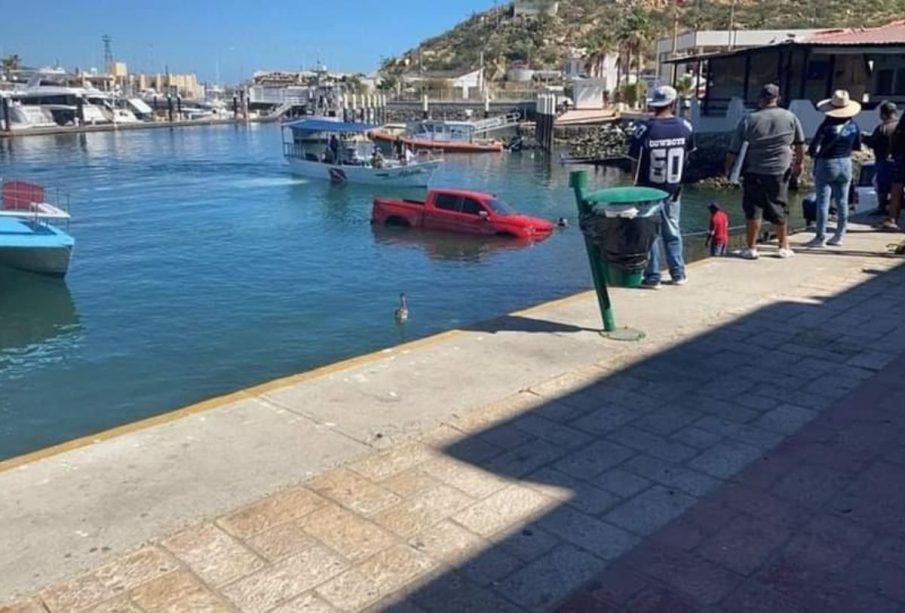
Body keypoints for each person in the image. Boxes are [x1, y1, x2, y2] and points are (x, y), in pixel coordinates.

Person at [725, 84, 805, 260]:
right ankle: (783, 246)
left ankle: (751, 247)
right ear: (778, 98)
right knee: (779, 205)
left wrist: (728, 169)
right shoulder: (790, 117)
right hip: (780, 169)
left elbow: (734, 149)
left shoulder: (749, 119)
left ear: (761, 98)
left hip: (754, 169)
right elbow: (800, 145)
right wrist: (799, 164)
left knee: (753, 208)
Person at [628, 85, 695, 288]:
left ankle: (653, 276)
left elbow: (634, 161)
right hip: (674, 190)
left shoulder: (644, 129)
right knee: (673, 231)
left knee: (650, 235)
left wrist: (635, 186)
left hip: (648, 189)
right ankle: (678, 273)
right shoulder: (685, 127)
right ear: (673, 104)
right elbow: (689, 156)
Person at [804, 89, 862, 248]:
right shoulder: (853, 126)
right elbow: (857, 147)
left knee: (823, 201)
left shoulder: (826, 126)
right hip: (846, 163)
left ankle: (820, 237)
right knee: (842, 201)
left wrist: (811, 153)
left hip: (827, 163)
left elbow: (813, 148)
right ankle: (839, 236)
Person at [864, 101, 898, 217]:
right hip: (899, 160)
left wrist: (864, 138)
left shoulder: (882, 128)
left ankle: (882, 207)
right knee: (897, 185)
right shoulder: (900, 126)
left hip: (884, 161)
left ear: (883, 114)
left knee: (882, 186)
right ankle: (896, 207)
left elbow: (874, 142)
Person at [879, 111, 905, 231]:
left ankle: (892, 218)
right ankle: (892, 218)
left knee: (896, 186)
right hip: (901, 153)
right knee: (897, 186)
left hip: (901, 154)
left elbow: (897, 137)